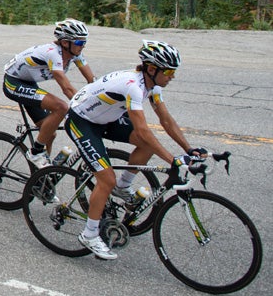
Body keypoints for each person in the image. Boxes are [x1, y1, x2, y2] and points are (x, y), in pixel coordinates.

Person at [66, 40, 203, 260]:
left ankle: (123, 187)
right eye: (168, 71)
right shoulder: (134, 86)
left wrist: (189, 148)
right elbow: (143, 129)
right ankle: (89, 234)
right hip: (82, 120)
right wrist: (172, 160)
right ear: (152, 69)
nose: (172, 76)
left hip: (106, 118)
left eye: (173, 72)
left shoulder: (153, 86)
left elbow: (166, 120)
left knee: (146, 144)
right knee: (106, 178)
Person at [3, 18, 95, 167]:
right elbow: (67, 88)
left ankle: (42, 172)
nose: (82, 46)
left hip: (29, 82)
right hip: (13, 82)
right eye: (79, 42)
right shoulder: (52, 54)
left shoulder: (75, 54)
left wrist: (100, 102)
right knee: (61, 107)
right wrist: (85, 110)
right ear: (65, 42)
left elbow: (92, 81)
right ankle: (36, 152)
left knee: (49, 133)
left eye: (84, 42)